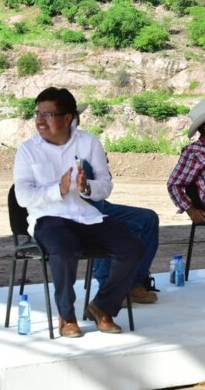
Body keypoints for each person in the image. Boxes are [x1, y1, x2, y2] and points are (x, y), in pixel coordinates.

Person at [13, 87, 143, 337]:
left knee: (132, 246)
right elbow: (22, 196)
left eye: (48, 114)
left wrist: (86, 187)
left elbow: (105, 186)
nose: (40, 120)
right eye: (37, 113)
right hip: (48, 218)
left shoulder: (88, 142)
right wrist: (57, 189)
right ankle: (67, 315)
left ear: (67, 118)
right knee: (64, 248)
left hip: (86, 215)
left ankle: (102, 307)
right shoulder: (27, 149)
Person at [72, 104, 160, 304]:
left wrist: (100, 165)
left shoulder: (88, 142)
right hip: (77, 209)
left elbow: (104, 182)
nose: (77, 120)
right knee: (112, 225)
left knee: (147, 219)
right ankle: (108, 288)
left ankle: (135, 283)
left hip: (98, 202)